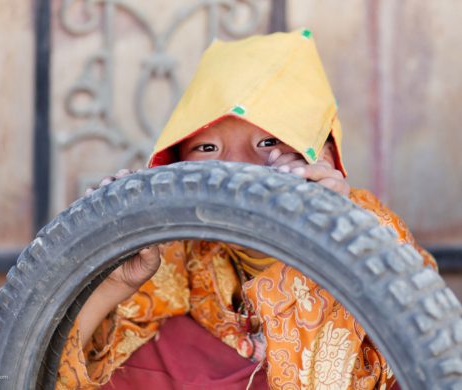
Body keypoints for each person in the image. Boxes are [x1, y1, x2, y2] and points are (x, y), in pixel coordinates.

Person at [56, 30, 437, 389]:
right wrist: (111, 275)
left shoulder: (372, 232)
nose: (236, 166)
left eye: (269, 141)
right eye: (207, 148)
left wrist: (329, 235)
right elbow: (48, 372)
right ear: (176, 166)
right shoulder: (172, 251)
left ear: (323, 155)